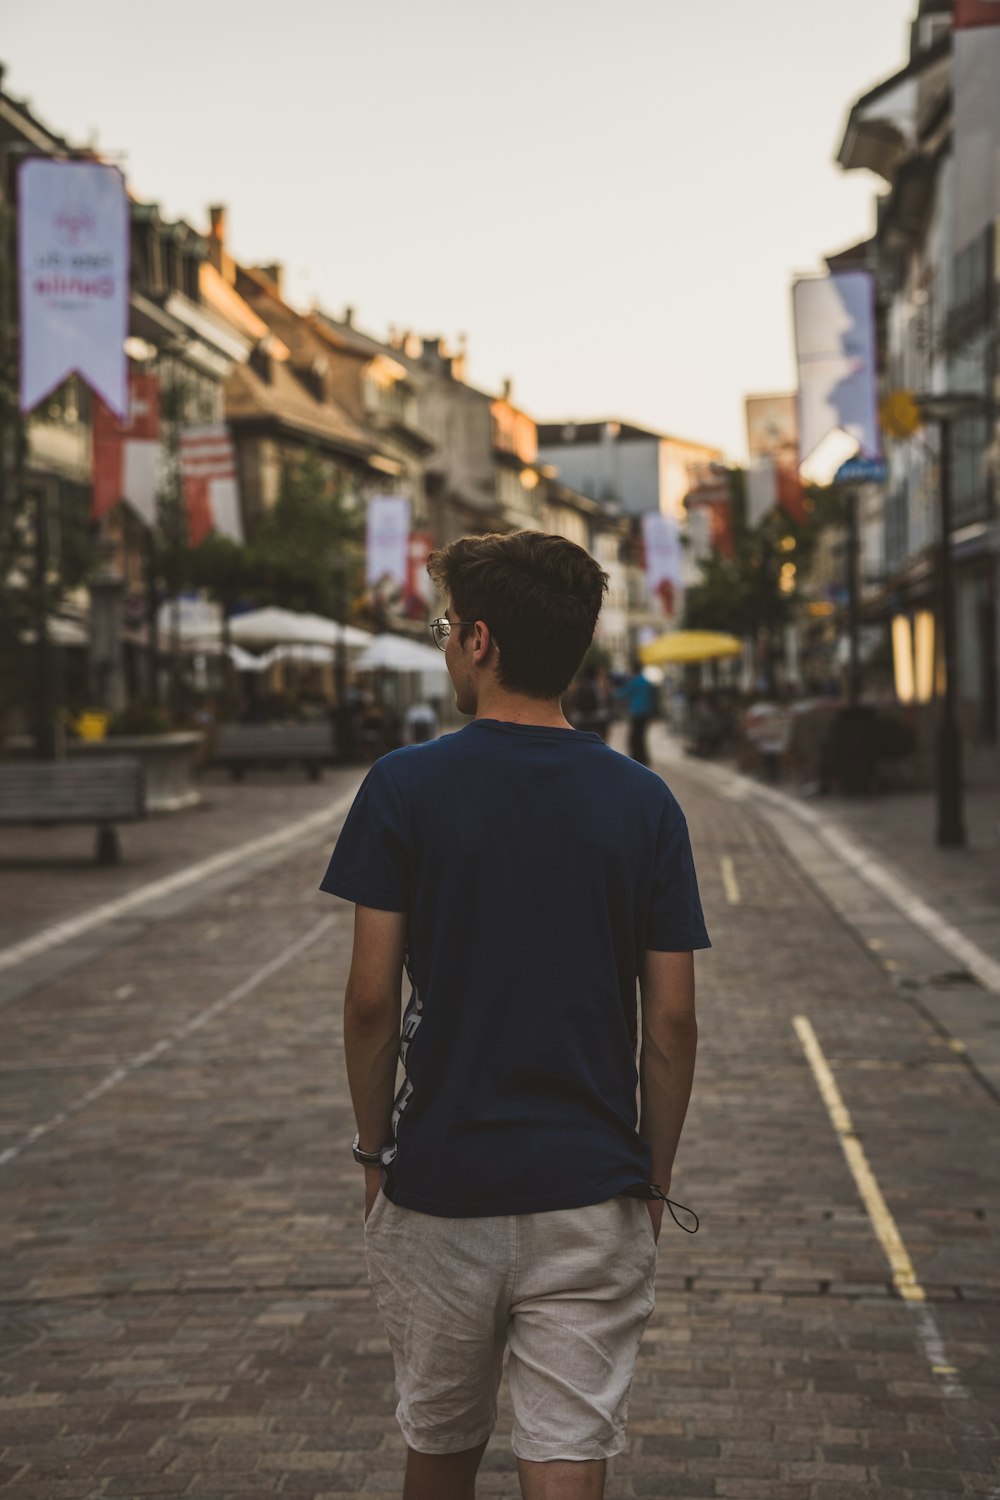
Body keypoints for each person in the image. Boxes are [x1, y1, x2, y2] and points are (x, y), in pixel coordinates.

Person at [320, 531, 709, 1500]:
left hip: (442, 1179)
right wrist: (650, 1176)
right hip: (589, 1183)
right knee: (568, 1458)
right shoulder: (644, 803)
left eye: (447, 627)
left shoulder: (404, 787)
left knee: (439, 1450)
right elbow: (671, 1024)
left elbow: (371, 1004)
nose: (444, 643)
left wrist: (375, 1154)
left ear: (481, 641)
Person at [618, 659, 658, 765]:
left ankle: (636, 759)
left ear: (633, 669)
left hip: (636, 712)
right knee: (641, 736)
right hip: (646, 712)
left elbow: (624, 694)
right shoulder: (646, 682)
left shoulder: (633, 681)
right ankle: (643, 758)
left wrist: (612, 692)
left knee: (634, 738)